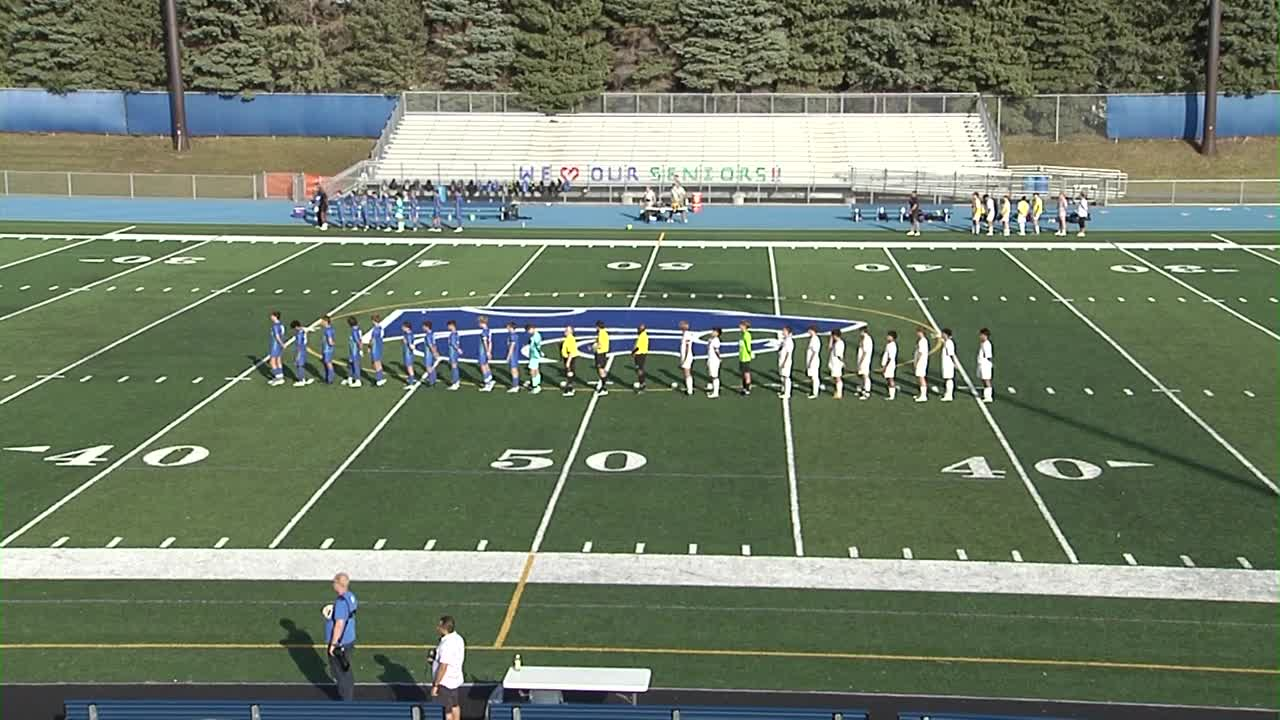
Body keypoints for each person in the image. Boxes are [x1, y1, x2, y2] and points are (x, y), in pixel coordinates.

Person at [324, 572, 358, 702]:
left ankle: (345, 701)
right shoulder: (350, 597)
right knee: (345, 669)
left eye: (334, 582)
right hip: (349, 638)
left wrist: (333, 644)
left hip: (340, 643)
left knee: (340, 672)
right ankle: (347, 695)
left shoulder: (340, 602)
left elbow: (339, 624)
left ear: (339, 584)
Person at [431, 616, 465, 720]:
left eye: (439, 625)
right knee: (455, 705)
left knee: (448, 710)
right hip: (455, 677)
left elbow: (443, 666)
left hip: (446, 681)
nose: (437, 628)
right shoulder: (458, 638)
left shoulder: (446, 645)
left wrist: (436, 685)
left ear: (444, 628)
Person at [267, 311, 286, 386]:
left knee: (272, 361)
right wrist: (282, 344)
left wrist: (282, 344)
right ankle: (280, 376)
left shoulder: (275, 326)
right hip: (279, 345)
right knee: (278, 360)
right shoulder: (281, 325)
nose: (271, 317)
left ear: (275, 316)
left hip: (275, 345)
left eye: (272, 316)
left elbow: (277, 336)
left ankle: (278, 378)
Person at [291, 320, 312, 387]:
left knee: (299, 365)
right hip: (304, 349)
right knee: (301, 364)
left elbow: (299, 345)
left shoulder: (299, 334)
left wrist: (297, 355)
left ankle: (301, 380)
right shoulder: (302, 330)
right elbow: (303, 328)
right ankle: (304, 378)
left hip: (300, 350)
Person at [477, 316, 495, 392]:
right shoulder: (489, 330)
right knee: (486, 364)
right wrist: (490, 351)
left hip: (483, 351)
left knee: (483, 365)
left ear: (482, 322)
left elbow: (485, 342)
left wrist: (487, 351)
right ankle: (490, 378)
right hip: (486, 351)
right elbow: (490, 342)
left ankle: (487, 383)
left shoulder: (484, 332)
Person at [940, 328, 958, 402]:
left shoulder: (949, 343)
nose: (942, 335)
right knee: (947, 378)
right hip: (946, 363)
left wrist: (954, 363)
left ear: (946, 334)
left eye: (943, 333)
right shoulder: (947, 342)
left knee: (949, 379)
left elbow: (951, 354)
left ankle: (949, 395)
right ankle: (948, 393)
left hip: (948, 363)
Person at [561, 325, 580, 395]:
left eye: (566, 330)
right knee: (569, 373)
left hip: (569, 358)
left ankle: (570, 389)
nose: (564, 331)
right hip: (569, 358)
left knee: (569, 373)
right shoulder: (569, 338)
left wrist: (568, 362)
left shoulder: (570, 339)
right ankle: (570, 386)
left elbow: (571, 352)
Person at [855, 326, 873, 399]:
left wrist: (861, 361)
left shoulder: (866, 339)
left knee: (865, 376)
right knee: (861, 375)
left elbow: (865, 352)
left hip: (864, 360)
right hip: (862, 359)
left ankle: (867, 392)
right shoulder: (864, 339)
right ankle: (862, 389)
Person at [776, 325, 795, 399]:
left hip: (786, 362)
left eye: (784, 331)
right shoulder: (785, 340)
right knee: (782, 377)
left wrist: (784, 362)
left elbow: (788, 353)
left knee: (786, 377)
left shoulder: (789, 341)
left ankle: (787, 393)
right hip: (782, 360)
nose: (782, 332)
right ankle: (783, 390)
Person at [912, 326, 930, 403]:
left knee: (921, 377)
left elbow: (920, 353)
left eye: (918, 332)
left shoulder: (922, 341)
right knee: (919, 377)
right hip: (921, 361)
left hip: (921, 362)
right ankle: (921, 394)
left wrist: (916, 361)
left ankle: (923, 396)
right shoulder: (922, 341)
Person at [977, 327, 994, 402]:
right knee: (983, 379)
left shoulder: (987, 344)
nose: (980, 336)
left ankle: (988, 396)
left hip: (985, 365)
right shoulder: (983, 343)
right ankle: (985, 393)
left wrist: (989, 365)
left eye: (981, 335)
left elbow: (988, 356)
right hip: (981, 364)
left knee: (987, 380)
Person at [344, 316, 362, 388]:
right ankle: (350, 378)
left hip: (354, 351)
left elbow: (358, 341)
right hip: (353, 350)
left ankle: (358, 380)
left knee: (355, 365)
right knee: (351, 364)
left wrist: (360, 350)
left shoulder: (354, 331)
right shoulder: (357, 329)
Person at [368, 314, 386, 387]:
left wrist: (369, 346)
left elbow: (372, 340)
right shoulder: (381, 328)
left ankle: (379, 379)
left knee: (376, 363)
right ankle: (380, 378)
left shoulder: (375, 330)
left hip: (375, 348)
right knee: (378, 362)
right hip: (379, 347)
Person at [593, 320, 610, 396]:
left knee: (600, 370)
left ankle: (604, 388)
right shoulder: (604, 333)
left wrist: (593, 347)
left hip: (600, 354)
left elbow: (600, 345)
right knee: (601, 369)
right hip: (603, 353)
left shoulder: (601, 334)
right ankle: (604, 385)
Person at [526, 323, 544, 394]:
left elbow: (537, 346)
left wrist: (539, 353)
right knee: (536, 369)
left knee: (532, 371)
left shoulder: (536, 337)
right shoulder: (535, 336)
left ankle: (535, 386)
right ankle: (537, 383)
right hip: (534, 355)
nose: (528, 332)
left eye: (528, 330)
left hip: (534, 356)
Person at [737, 320, 754, 396]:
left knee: (746, 373)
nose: (739, 327)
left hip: (745, 357)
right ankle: (744, 387)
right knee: (743, 373)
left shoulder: (747, 335)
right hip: (742, 357)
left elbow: (748, 346)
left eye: (741, 325)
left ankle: (747, 388)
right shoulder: (743, 334)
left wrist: (750, 353)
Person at [804, 325, 821, 399]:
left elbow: (814, 352)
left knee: (814, 377)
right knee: (812, 376)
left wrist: (810, 361)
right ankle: (814, 390)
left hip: (813, 361)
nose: (808, 332)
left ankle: (815, 392)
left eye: (809, 330)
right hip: (811, 360)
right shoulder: (813, 339)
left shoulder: (815, 340)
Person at [828, 328, 845, 399]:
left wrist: (843, 362)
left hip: (836, 363)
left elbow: (839, 355)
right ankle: (838, 391)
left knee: (838, 378)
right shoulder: (836, 343)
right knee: (836, 378)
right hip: (834, 362)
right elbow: (829, 348)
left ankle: (839, 393)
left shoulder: (839, 343)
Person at [678, 320, 694, 396]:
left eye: (682, 325)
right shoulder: (685, 334)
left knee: (687, 372)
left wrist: (684, 358)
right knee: (686, 372)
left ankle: (689, 390)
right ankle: (689, 387)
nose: (680, 326)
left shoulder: (687, 335)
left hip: (687, 356)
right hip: (685, 356)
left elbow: (687, 347)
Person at [881, 330, 898, 400]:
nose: (887, 337)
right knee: (888, 378)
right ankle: (891, 392)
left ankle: (892, 395)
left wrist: (885, 367)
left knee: (890, 379)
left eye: (889, 336)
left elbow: (890, 358)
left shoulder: (892, 346)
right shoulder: (889, 344)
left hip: (890, 365)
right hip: (888, 364)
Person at [420, 320, 439, 386]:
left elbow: (430, 345)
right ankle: (434, 379)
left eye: (424, 326)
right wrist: (436, 352)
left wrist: (434, 353)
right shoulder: (432, 334)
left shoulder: (428, 336)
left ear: (427, 327)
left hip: (428, 353)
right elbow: (434, 344)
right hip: (431, 352)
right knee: (431, 366)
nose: (422, 327)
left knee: (428, 367)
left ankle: (431, 381)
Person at [706, 327, 722, 398]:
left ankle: (716, 393)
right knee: (712, 374)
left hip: (714, 360)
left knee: (715, 376)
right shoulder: (711, 339)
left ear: (717, 333)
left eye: (714, 331)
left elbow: (716, 351)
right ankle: (712, 387)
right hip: (711, 359)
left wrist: (719, 358)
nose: (712, 332)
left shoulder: (716, 340)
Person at [631, 323, 648, 391]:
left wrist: (633, 352)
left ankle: (642, 384)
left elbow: (638, 347)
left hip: (640, 355)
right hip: (642, 354)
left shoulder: (642, 336)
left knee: (639, 369)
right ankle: (642, 383)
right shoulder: (644, 335)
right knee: (640, 369)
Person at [505, 321, 521, 393]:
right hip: (515, 355)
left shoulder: (512, 336)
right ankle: (516, 385)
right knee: (515, 370)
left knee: (513, 370)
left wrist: (508, 356)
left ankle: (515, 386)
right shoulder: (515, 335)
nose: (507, 328)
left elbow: (512, 347)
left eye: (508, 327)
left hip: (513, 355)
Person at [446, 320, 461, 390]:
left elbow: (453, 344)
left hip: (453, 353)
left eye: (448, 326)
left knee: (454, 367)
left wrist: (458, 349)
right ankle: (457, 381)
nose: (448, 327)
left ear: (452, 326)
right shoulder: (456, 333)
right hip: (455, 353)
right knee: (455, 367)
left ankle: (455, 383)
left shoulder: (452, 335)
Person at [401, 321, 417, 387]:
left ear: (407, 328)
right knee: (409, 367)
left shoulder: (408, 336)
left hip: (408, 354)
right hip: (408, 353)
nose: (402, 328)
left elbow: (411, 346)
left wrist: (406, 342)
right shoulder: (409, 334)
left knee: (409, 367)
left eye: (403, 327)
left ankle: (411, 383)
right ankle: (411, 379)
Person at [321, 315, 336, 384]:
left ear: (326, 321)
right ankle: (328, 377)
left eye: (322, 321)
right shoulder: (331, 329)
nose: (321, 322)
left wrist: (331, 344)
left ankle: (330, 378)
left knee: (328, 363)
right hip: (328, 349)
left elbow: (330, 340)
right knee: (327, 363)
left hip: (327, 349)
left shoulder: (327, 330)